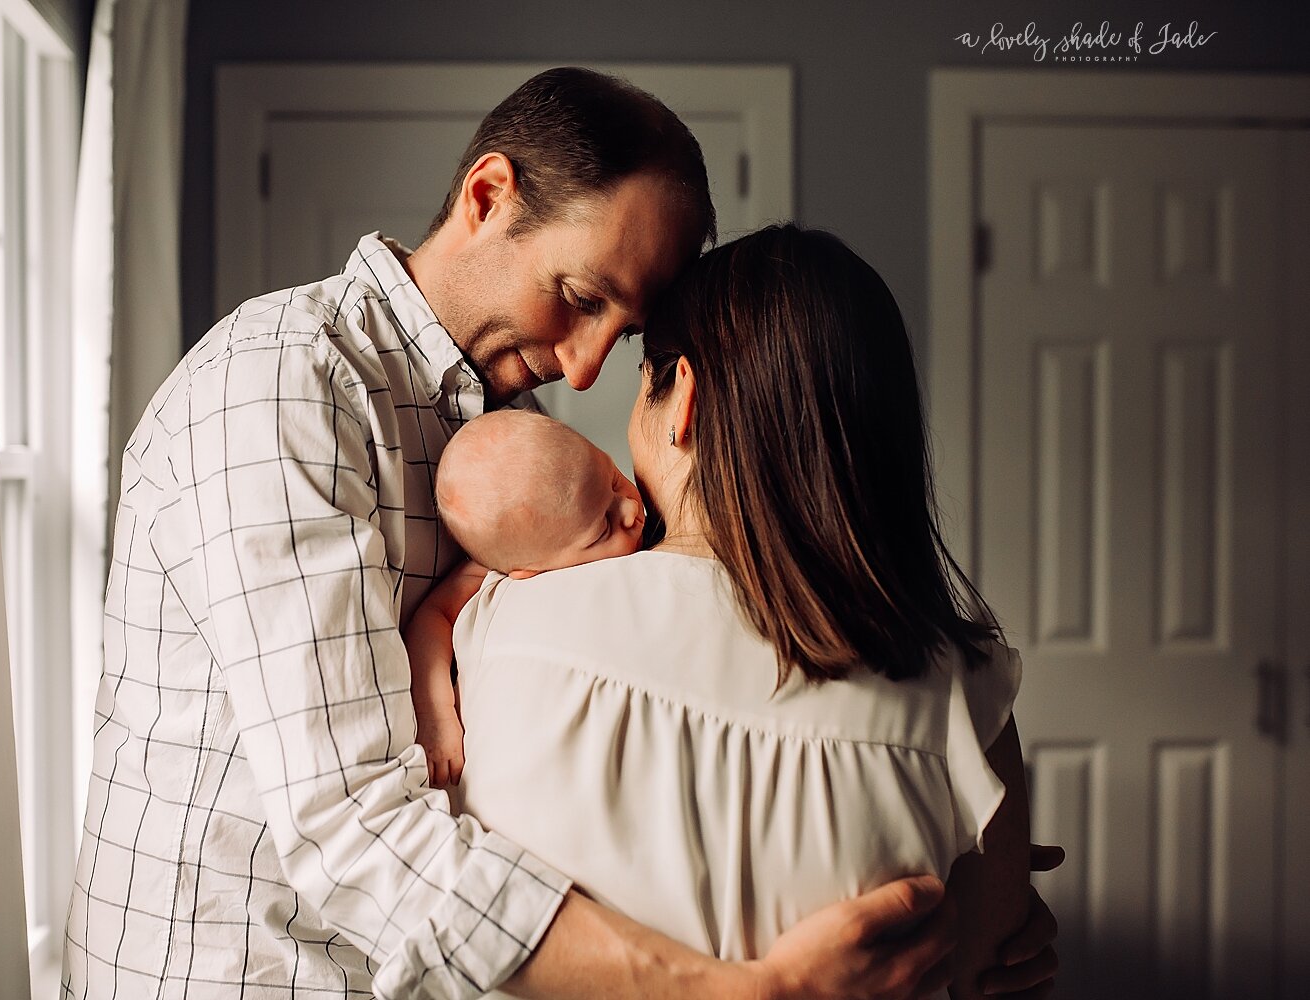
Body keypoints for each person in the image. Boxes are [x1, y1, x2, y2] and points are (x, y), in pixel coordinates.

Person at [63, 67, 1058, 1000]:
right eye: (578, 298)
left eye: (623, 335)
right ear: (487, 197)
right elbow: (352, 823)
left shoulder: (509, 444)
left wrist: (953, 859)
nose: (583, 371)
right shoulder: (286, 389)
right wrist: (748, 989)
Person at [451, 225, 1043, 998]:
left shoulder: (501, 632)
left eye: (642, 378)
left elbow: (452, 923)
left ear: (683, 398)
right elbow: (989, 967)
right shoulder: (966, 693)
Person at [407, 410, 647, 787]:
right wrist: (436, 713)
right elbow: (432, 618)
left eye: (614, 478)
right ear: (526, 569)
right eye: (603, 528)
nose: (631, 510)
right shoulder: (484, 573)